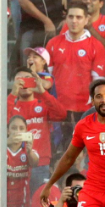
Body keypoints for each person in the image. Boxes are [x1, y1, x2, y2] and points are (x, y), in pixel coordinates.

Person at [46, 1, 105, 151]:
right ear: (65, 18)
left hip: (85, 108)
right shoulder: (53, 43)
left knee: (84, 151)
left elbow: (99, 81)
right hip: (58, 107)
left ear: (86, 20)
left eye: (79, 17)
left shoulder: (96, 45)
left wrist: (96, 107)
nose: (74, 21)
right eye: (71, 16)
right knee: (59, 150)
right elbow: (46, 78)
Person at [8, 66, 67, 198]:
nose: (24, 83)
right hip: (14, 166)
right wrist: (12, 95)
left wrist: (43, 92)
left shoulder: (43, 104)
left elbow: (61, 114)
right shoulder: (11, 105)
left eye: (28, 79)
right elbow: (2, 123)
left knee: (39, 202)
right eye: (20, 80)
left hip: (41, 164)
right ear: (14, 83)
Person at [59, 0, 105, 80]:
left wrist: (90, 28)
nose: (88, 1)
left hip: (100, 78)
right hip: (75, 79)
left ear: (101, 3)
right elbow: (61, 48)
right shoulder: (72, 22)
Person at [7, 115, 39, 207]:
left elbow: (35, 163)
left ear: (26, 131)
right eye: (13, 128)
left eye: (21, 128)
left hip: (22, 203)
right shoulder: (2, 149)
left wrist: (29, 152)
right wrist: (5, 143)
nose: (17, 131)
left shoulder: (29, 150)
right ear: (8, 131)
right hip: (3, 201)